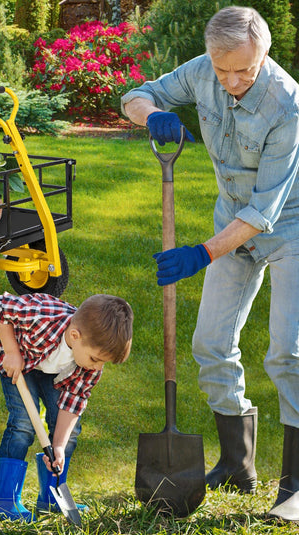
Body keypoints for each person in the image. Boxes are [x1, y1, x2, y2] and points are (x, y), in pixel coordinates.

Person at [121, 6, 299, 522]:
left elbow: (264, 211)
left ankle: (294, 486)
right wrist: (150, 113)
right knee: (210, 345)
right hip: (231, 222)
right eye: (224, 70)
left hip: (288, 227)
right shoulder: (203, 71)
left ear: (263, 54)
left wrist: (200, 253)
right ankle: (239, 465)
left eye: (244, 69)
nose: (233, 80)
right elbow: (135, 94)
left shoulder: (286, 104)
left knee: (288, 353)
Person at [0, 291, 133, 521]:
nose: (97, 367)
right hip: (19, 361)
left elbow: (74, 402)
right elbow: (0, 305)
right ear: (75, 336)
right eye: (96, 359)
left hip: (53, 371)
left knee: (68, 433)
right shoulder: (41, 317)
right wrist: (12, 352)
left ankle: (51, 497)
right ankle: (3, 501)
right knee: (23, 424)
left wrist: (59, 447)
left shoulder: (89, 366)